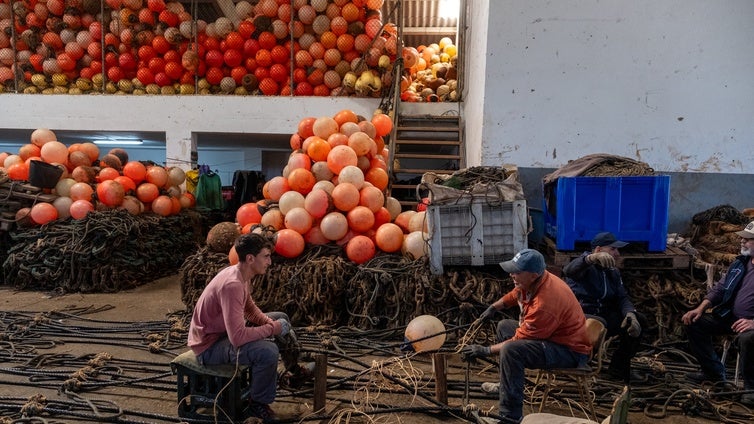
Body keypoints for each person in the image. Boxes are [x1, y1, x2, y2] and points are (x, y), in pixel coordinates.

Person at [461, 248, 592, 423]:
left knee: (511, 350)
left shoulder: (545, 303)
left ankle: (509, 417)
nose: (511, 275)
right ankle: (508, 384)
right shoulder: (534, 281)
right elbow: (515, 294)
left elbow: (520, 339)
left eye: (517, 272)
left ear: (533, 274)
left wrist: (484, 350)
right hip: (552, 336)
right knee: (504, 326)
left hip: (568, 351)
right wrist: (494, 307)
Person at [188, 233, 306, 422]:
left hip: (223, 334)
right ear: (251, 258)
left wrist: (269, 322)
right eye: (266, 256)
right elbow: (238, 338)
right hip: (208, 347)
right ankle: (257, 405)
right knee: (267, 351)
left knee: (280, 317)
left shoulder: (242, 273)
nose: (270, 262)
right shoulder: (232, 284)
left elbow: (249, 309)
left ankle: (294, 371)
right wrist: (273, 329)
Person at [682, 221, 754, 405]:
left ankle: (751, 389)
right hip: (731, 317)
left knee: (748, 339)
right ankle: (713, 373)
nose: (742, 242)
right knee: (695, 323)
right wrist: (700, 308)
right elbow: (720, 289)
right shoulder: (740, 263)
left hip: (751, 324)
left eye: (747, 239)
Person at [562, 231, 648, 383]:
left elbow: (622, 297)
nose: (617, 253)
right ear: (599, 249)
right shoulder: (584, 267)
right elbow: (568, 270)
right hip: (583, 316)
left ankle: (618, 369)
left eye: (617, 250)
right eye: (613, 249)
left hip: (605, 315)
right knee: (596, 323)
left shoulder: (612, 272)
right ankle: (578, 363)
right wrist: (590, 259)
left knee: (639, 320)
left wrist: (630, 314)